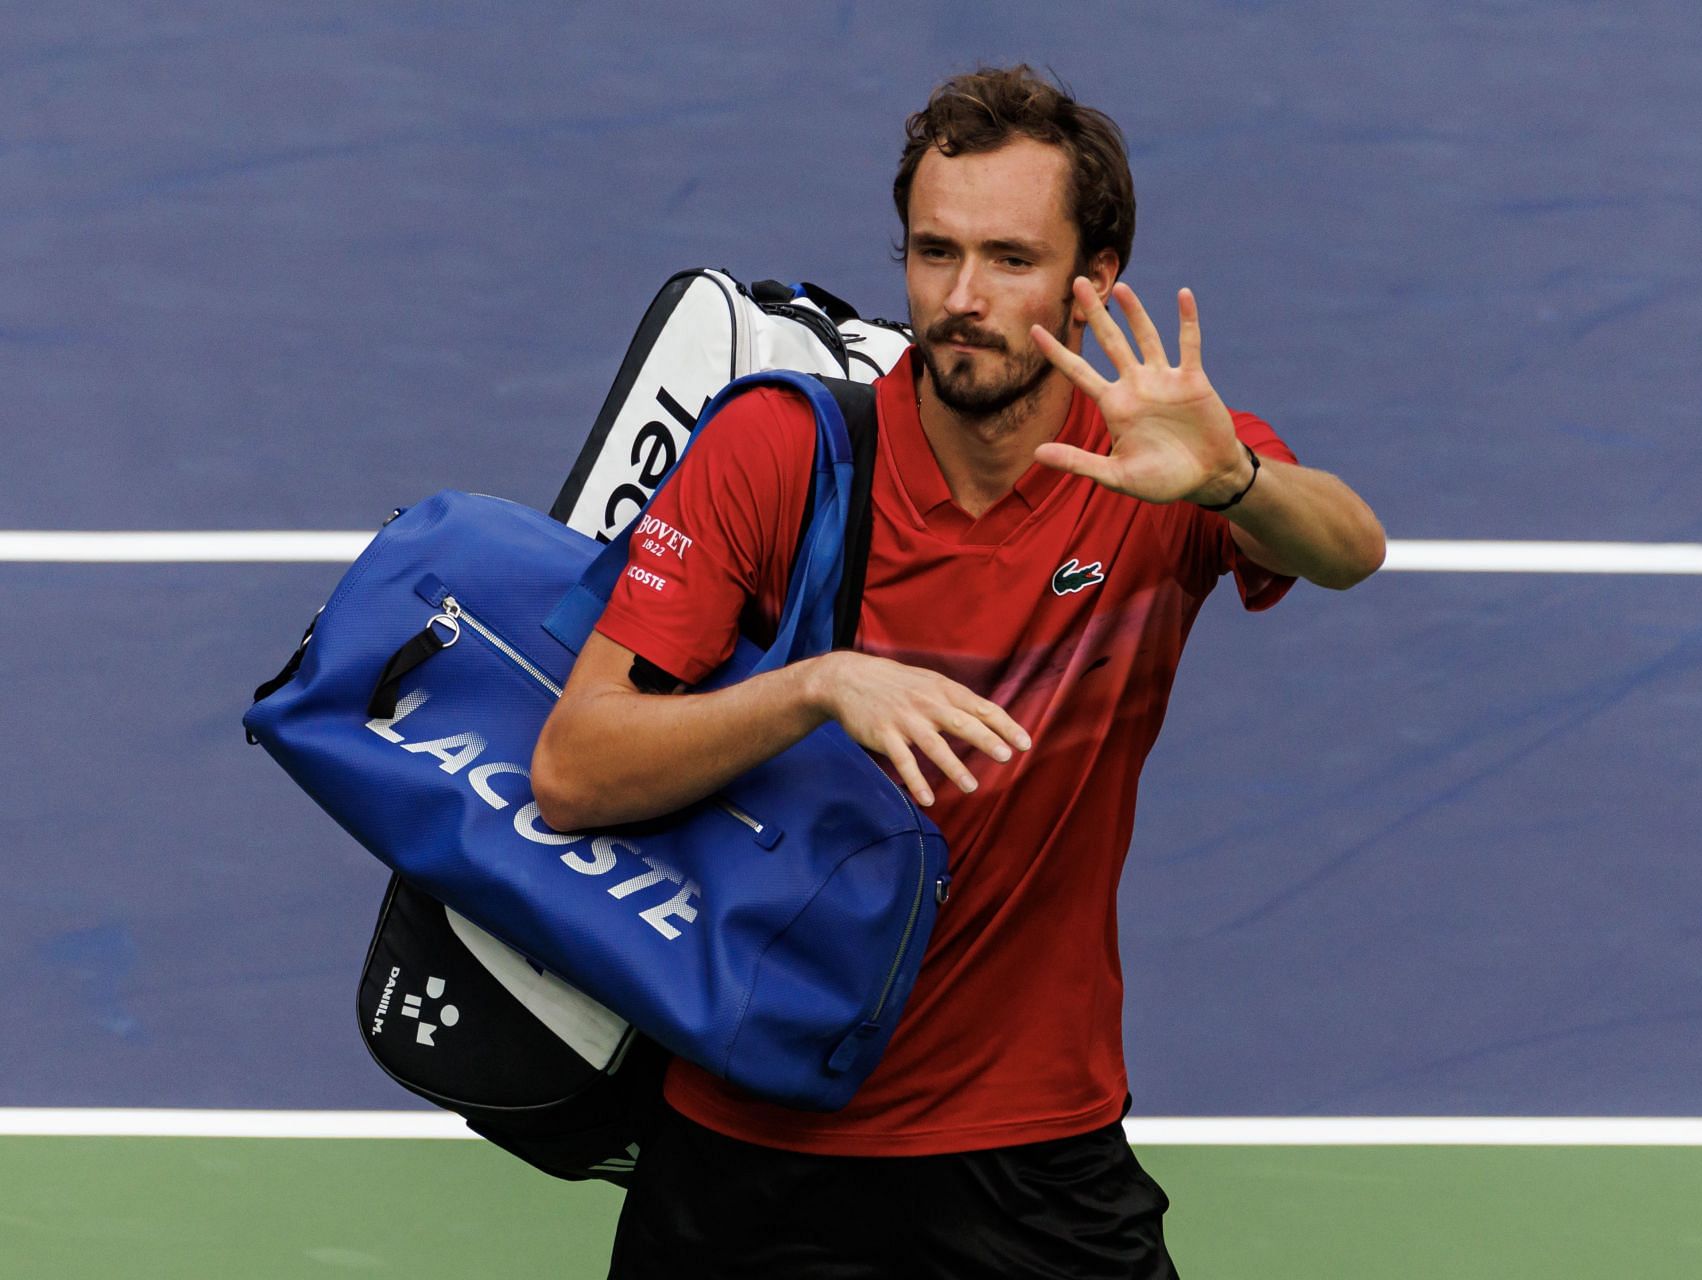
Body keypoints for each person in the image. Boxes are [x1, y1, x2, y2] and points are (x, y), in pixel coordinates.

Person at [531, 63, 1384, 1280]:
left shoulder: (1150, 464)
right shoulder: (779, 451)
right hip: (751, 1149)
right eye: (935, 253)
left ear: (1094, 282)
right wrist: (814, 685)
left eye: (1010, 260)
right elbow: (571, 767)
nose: (963, 299)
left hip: (1033, 1149)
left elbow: (1353, 550)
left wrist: (1235, 481)